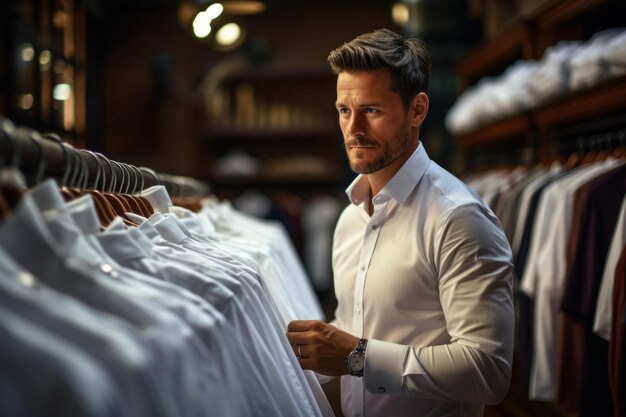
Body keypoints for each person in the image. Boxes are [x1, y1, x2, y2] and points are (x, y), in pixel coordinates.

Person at [286, 28, 515, 417]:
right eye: (345, 111)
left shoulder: (458, 219)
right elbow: (354, 327)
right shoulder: (350, 219)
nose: (354, 129)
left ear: (417, 110)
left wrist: (356, 357)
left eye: (371, 110)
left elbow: (488, 371)